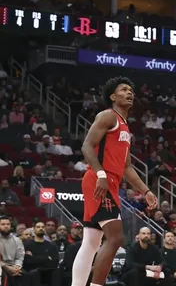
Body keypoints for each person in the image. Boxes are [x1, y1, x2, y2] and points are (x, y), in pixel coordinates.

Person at [72, 77, 158, 286]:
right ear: (113, 96)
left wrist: (145, 191)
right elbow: (86, 146)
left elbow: (127, 167)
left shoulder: (125, 126)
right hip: (99, 180)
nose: (130, 93)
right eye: (123, 89)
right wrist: (101, 174)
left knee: (91, 243)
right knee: (116, 239)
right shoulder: (107, 116)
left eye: (131, 90)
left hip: (110, 182)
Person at [23, 221, 59, 286]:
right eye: (38, 227)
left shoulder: (52, 246)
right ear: (34, 230)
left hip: (48, 274)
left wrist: (33, 258)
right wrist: (46, 258)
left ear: (45, 229)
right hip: (31, 274)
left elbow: (54, 263)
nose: (41, 228)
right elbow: (26, 262)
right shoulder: (26, 245)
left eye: (42, 227)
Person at [0, 215, 25, 286]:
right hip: (2, 267)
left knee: (24, 275)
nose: (6, 226)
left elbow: (20, 256)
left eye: (8, 224)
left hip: (14, 266)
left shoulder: (17, 240)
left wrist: (17, 266)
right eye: (3, 224)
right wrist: (7, 268)